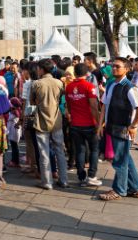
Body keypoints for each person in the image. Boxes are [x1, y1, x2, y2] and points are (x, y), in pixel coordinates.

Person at [98, 57, 138, 201]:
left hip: (123, 129)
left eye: (118, 67)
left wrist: (134, 125)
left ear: (126, 69)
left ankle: (119, 190)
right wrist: (100, 124)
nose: (114, 69)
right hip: (111, 126)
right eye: (113, 66)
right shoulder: (111, 84)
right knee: (126, 159)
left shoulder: (130, 87)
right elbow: (104, 105)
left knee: (120, 161)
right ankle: (136, 187)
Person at [30, 58, 68, 189]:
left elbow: (32, 101)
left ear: (41, 69)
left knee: (44, 152)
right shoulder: (59, 83)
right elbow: (61, 97)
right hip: (56, 120)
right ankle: (64, 180)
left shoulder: (36, 84)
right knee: (60, 151)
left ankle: (47, 181)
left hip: (41, 120)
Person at [65, 63, 102, 187]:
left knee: (80, 150)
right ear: (87, 73)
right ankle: (91, 176)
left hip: (75, 124)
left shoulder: (69, 87)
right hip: (89, 125)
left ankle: (81, 177)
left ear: (75, 73)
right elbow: (94, 106)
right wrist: (98, 124)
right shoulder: (89, 86)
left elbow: (68, 106)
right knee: (94, 149)